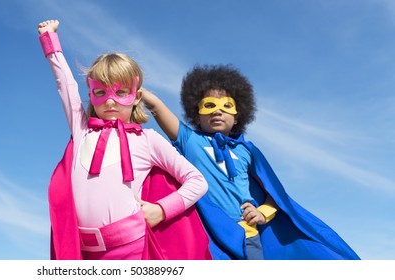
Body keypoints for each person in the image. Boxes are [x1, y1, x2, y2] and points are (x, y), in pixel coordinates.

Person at [142, 64, 360, 260]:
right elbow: (158, 107)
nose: (217, 110)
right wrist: (131, 90)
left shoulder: (248, 151)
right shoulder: (190, 140)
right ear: (196, 114)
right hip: (207, 231)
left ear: (237, 116)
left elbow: (276, 194)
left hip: (246, 232)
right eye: (208, 105)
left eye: (227, 106)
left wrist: (262, 213)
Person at [37, 19, 212, 260]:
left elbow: (197, 181)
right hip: (81, 251)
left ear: (136, 96)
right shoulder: (81, 130)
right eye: (101, 92)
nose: (110, 100)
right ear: (91, 94)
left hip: (129, 247)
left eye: (120, 92)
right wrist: (50, 40)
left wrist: (161, 210)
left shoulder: (148, 140)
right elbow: (64, 84)